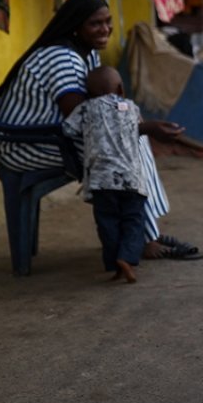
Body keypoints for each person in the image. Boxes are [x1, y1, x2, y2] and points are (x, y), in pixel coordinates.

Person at [0, 0, 201, 261]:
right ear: (76, 27)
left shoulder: (86, 55)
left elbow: (97, 118)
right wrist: (147, 128)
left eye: (108, 21)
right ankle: (144, 238)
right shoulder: (62, 58)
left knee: (128, 139)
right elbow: (88, 121)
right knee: (123, 146)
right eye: (95, 23)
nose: (105, 29)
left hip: (50, 136)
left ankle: (144, 232)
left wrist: (140, 125)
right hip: (24, 145)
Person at [62, 66, 149, 283]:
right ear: (120, 88)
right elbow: (140, 128)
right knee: (134, 220)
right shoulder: (131, 107)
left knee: (107, 222)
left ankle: (114, 262)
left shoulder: (85, 109)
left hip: (101, 182)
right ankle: (127, 258)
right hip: (132, 180)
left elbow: (68, 130)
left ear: (89, 93)